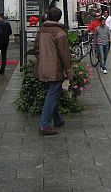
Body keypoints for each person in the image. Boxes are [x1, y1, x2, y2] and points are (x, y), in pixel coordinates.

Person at [34, 7, 74, 136]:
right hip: (55, 68)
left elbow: (36, 48)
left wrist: (42, 59)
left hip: (42, 67)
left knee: (53, 93)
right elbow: (65, 54)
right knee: (52, 95)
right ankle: (44, 125)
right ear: (59, 17)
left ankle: (57, 120)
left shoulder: (41, 30)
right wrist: (69, 72)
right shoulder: (60, 32)